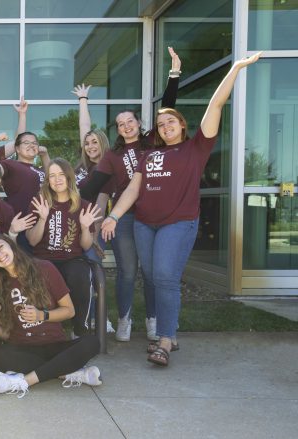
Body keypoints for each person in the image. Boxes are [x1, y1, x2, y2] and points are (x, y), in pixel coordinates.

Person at [101, 52, 262, 367]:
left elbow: (215, 106)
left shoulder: (196, 147)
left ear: (181, 125)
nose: (164, 126)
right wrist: (113, 215)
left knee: (165, 276)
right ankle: (168, 333)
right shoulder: (149, 156)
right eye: (160, 124)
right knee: (152, 274)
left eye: (170, 121)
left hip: (178, 222)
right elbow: (133, 188)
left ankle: (164, 340)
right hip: (144, 224)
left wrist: (235, 68)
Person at [79, 47, 182, 343]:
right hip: (123, 217)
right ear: (118, 129)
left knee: (151, 273)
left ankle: (152, 321)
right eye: (121, 124)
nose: (126, 126)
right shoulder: (112, 155)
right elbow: (91, 186)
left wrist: (174, 73)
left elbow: (169, 106)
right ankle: (124, 319)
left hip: (153, 216)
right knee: (127, 271)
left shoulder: (152, 141)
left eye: (130, 121)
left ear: (139, 123)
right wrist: (60, 193)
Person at [0, 235, 101, 397]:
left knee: (92, 343)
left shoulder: (44, 268)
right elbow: (5, 334)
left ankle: (24, 381)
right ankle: (68, 372)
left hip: (55, 345)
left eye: (1, 247)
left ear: (12, 247)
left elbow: (69, 310)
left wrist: (42, 315)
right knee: (0, 356)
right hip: (24, 348)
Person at [26, 158, 102, 337]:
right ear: (47, 180)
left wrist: (84, 227)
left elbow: (85, 245)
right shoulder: (39, 202)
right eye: (52, 176)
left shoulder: (83, 205)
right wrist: (43, 218)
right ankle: (44, 330)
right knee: (40, 273)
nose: (57, 179)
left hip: (71, 259)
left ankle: (80, 331)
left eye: (61, 175)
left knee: (80, 274)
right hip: (44, 259)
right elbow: (32, 241)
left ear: (69, 178)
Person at [72, 84, 113, 264]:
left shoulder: (106, 169)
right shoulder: (83, 163)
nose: (90, 146)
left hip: (91, 227)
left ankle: (97, 293)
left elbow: (100, 205)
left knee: (91, 263)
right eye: (87, 143)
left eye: (95, 142)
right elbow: (85, 126)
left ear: (102, 143)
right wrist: (83, 100)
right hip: (75, 222)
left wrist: (94, 237)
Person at [0, 131, 49, 217]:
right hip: (19, 222)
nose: (32, 145)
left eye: (34, 143)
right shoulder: (10, 165)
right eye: (26, 143)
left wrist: (44, 155)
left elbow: (52, 175)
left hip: (42, 220)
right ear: (17, 149)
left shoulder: (40, 169)